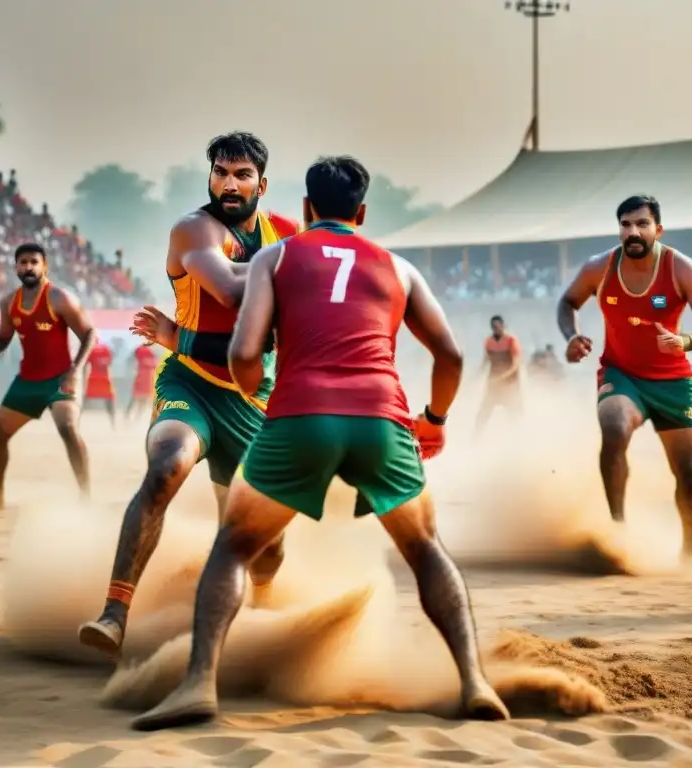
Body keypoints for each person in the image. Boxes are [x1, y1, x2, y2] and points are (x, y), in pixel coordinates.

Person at [130, 155, 508, 732]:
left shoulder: (275, 256)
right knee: (426, 548)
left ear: (306, 209)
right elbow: (451, 356)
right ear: (361, 211)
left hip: (301, 415)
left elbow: (242, 353)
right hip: (382, 418)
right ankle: (474, 681)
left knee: (233, 546)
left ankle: (197, 685)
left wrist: (257, 394)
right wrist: (434, 418)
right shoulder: (399, 268)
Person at [78, 132, 300, 657]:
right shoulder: (194, 229)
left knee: (265, 550)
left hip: (253, 401)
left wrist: (179, 333)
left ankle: (263, 611)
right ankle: (114, 614)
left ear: (261, 184)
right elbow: (227, 288)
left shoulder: (286, 232)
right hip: (191, 384)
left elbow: (282, 329)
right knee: (166, 468)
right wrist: (292, 271)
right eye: (221, 172)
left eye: (242, 174)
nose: (229, 183)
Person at [557, 195, 692, 564]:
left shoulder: (682, 269)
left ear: (658, 229)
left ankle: (690, 553)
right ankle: (619, 530)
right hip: (622, 374)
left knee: (688, 472)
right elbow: (567, 302)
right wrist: (572, 335)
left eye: (641, 224)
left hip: (673, 379)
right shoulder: (598, 268)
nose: (632, 232)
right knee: (614, 428)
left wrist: (686, 341)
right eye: (626, 225)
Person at [0, 243, 96, 509]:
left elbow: (89, 334)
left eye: (34, 262)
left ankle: (86, 497)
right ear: (16, 268)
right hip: (28, 380)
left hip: (61, 378)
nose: (29, 267)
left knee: (68, 428)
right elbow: (2, 339)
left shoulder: (60, 298)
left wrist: (75, 370)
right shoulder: (9, 303)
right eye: (23, 263)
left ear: (44, 266)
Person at [475, 315, 522, 434]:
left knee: (514, 412)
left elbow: (516, 364)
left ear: (503, 326)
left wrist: (502, 377)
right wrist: (475, 376)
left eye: (498, 326)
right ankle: (475, 438)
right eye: (493, 326)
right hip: (493, 381)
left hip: (510, 383)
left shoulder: (511, 341)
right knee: (484, 412)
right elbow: (485, 361)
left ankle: (518, 437)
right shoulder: (489, 341)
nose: (496, 328)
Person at [83, 339, 116, 429]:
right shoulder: (106, 349)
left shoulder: (91, 349)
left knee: (84, 401)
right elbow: (110, 364)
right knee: (110, 401)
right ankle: (113, 424)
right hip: (104, 379)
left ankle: (77, 423)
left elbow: (86, 366)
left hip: (93, 378)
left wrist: (84, 383)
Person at [126, 343, 158, 421]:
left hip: (150, 376)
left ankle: (138, 417)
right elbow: (131, 359)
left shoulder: (157, 348)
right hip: (141, 374)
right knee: (136, 396)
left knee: (146, 398)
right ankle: (127, 415)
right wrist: (133, 369)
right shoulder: (140, 349)